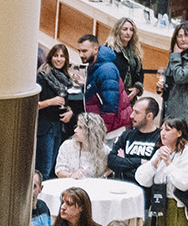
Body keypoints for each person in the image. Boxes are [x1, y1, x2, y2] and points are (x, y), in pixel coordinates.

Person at [36, 42, 78, 178]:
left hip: (59, 127)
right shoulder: (41, 77)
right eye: (56, 56)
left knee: (54, 166)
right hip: (44, 128)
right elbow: (33, 105)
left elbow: (70, 102)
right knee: (44, 168)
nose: (59, 59)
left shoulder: (66, 79)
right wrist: (50, 102)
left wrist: (70, 112)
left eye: (62, 56)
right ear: (50, 57)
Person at [75, 32, 124, 124]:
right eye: (79, 51)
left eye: (84, 51)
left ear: (96, 49)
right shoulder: (94, 66)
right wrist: (85, 84)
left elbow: (110, 107)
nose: (81, 55)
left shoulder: (106, 70)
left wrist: (102, 129)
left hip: (109, 129)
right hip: (98, 122)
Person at [55, 109, 109, 183]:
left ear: (91, 132)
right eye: (77, 126)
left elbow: (108, 171)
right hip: (71, 188)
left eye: (80, 127)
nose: (75, 130)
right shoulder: (67, 146)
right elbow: (60, 172)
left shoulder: (104, 150)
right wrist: (71, 175)